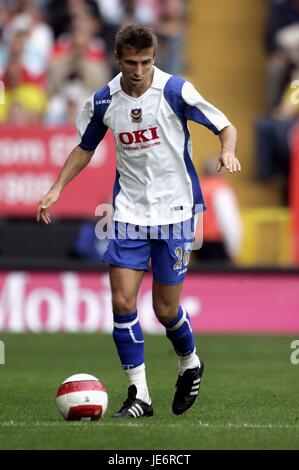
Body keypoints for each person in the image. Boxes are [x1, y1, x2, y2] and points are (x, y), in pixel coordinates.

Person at [37, 24, 241, 418]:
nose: (138, 70)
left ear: (154, 58)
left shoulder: (174, 91)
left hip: (178, 213)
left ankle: (190, 362)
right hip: (129, 212)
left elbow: (225, 125)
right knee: (121, 301)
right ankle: (139, 396)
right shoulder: (104, 100)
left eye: (146, 62)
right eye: (131, 62)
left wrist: (227, 151)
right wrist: (56, 187)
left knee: (165, 311)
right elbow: (85, 146)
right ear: (118, 59)